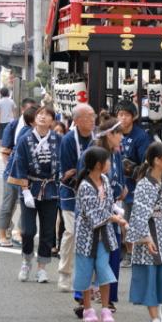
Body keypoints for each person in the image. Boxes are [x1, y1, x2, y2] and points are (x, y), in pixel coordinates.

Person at [127, 141, 162, 322]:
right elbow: (138, 213)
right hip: (146, 232)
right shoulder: (143, 185)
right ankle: (154, 317)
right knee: (148, 275)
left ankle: (158, 305)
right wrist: (146, 237)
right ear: (157, 160)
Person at [9, 105, 63, 283]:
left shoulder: (58, 139)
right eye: (40, 114)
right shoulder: (25, 139)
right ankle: (26, 261)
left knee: (48, 232)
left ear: (52, 121)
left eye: (47, 115)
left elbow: (63, 164)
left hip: (51, 190)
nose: (43, 117)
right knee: (28, 230)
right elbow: (20, 165)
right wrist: (25, 191)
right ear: (35, 118)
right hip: (30, 188)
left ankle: (42, 267)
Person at [73, 146, 126, 322]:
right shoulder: (85, 186)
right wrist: (116, 219)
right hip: (86, 234)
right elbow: (94, 213)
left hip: (104, 234)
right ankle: (87, 308)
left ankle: (105, 309)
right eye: (107, 161)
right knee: (85, 270)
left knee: (103, 268)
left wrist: (116, 210)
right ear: (98, 164)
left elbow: (108, 203)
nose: (110, 164)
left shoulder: (104, 179)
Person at [58, 103, 97, 292]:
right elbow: (67, 173)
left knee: (93, 235)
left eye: (93, 116)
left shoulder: (96, 139)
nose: (92, 120)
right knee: (72, 232)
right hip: (70, 193)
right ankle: (64, 274)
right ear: (77, 120)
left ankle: (92, 278)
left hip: (93, 194)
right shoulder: (67, 140)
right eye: (88, 116)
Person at [0, 99, 37, 247]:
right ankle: (2, 233)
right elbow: (6, 151)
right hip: (13, 172)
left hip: (29, 174)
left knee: (26, 204)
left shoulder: (40, 132)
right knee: (9, 204)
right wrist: (10, 170)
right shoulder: (16, 126)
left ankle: (20, 232)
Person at [117, 101, 152, 261]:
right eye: (120, 114)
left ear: (134, 117)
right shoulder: (114, 133)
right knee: (123, 220)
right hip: (116, 184)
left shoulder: (140, 136)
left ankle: (135, 252)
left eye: (126, 115)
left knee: (133, 219)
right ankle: (129, 251)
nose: (122, 118)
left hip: (134, 186)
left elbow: (146, 163)